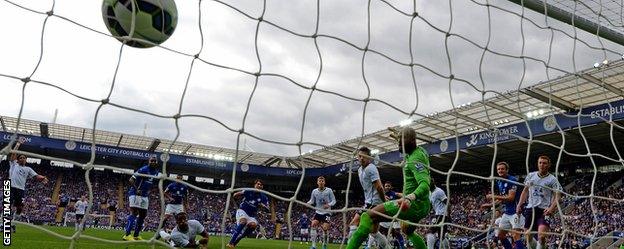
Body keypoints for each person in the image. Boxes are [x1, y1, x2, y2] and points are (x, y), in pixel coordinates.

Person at [346, 127, 431, 249]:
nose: (399, 145)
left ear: (411, 140)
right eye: (398, 142)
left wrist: (411, 197)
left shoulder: (415, 159)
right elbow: (410, 142)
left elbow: (425, 184)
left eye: (401, 141)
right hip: (424, 206)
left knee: (367, 216)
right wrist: (400, 137)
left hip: (412, 204)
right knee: (407, 231)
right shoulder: (420, 151)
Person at [515, 155, 562, 249]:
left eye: (544, 163)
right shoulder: (531, 176)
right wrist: (519, 204)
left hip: (544, 211)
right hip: (530, 209)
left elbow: (558, 196)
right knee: (528, 237)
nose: (542, 165)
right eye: (540, 163)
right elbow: (525, 191)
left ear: (549, 165)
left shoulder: (552, 179)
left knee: (542, 236)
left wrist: (551, 208)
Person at [347, 147, 389, 248]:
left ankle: (350, 246)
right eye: (360, 156)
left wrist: (384, 201)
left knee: (354, 223)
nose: (361, 158)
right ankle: (388, 247)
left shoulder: (371, 168)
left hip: (374, 203)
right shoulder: (360, 170)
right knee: (374, 232)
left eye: (364, 156)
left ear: (369, 158)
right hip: (369, 201)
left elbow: (379, 186)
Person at [4, 138, 48, 232]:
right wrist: (18, 143)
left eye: (24, 158)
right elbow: (13, 154)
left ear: (26, 160)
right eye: (20, 158)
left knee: (20, 208)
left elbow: (36, 176)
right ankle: (3, 225)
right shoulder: (13, 164)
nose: (22, 159)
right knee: (7, 206)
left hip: (20, 189)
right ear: (18, 159)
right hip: (10, 187)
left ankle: (13, 224)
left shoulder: (28, 169)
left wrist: (43, 178)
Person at [480, 161, 522, 249]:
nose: (500, 170)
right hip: (507, 212)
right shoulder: (499, 182)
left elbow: (511, 198)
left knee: (515, 235)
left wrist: (493, 196)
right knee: (500, 236)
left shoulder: (512, 180)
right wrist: (489, 205)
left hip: (516, 211)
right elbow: (502, 198)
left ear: (507, 170)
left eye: (502, 169)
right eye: (498, 169)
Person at [122, 156, 160, 241]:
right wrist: (136, 189)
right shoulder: (143, 169)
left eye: (155, 161)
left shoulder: (156, 172)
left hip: (144, 196)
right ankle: (127, 235)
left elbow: (151, 183)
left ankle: (136, 235)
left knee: (143, 215)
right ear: (148, 161)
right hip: (135, 193)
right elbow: (131, 179)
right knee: (134, 213)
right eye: (152, 161)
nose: (153, 162)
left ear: (157, 162)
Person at [227, 179, 269, 248]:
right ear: (254, 185)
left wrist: (263, 206)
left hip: (252, 215)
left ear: (262, 187)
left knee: (253, 225)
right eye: (258, 184)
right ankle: (230, 243)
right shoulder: (248, 190)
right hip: (242, 211)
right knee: (243, 221)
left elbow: (268, 209)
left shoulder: (264, 197)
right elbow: (235, 195)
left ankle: (238, 239)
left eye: (261, 185)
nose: (259, 186)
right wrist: (236, 194)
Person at [307, 176, 337, 249]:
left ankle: (324, 244)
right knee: (313, 225)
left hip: (327, 212)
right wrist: (308, 203)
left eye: (322, 181)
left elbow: (334, 201)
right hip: (318, 212)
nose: (321, 182)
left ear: (324, 182)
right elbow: (312, 200)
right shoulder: (314, 191)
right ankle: (313, 245)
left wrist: (328, 205)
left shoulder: (329, 190)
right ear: (317, 182)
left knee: (325, 228)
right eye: (319, 181)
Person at [380, 181, 405, 249]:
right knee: (384, 232)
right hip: (385, 216)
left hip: (394, 216)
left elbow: (403, 195)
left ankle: (402, 246)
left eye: (388, 186)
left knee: (397, 232)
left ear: (391, 187)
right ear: (384, 187)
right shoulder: (381, 194)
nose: (387, 187)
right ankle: (385, 246)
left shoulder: (394, 193)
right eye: (386, 186)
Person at [427, 178, 449, 249]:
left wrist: (449, 215)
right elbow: (431, 205)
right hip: (438, 214)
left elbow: (447, 202)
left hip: (441, 214)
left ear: (433, 183)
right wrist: (427, 213)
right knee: (441, 236)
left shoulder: (439, 191)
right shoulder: (430, 193)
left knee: (430, 232)